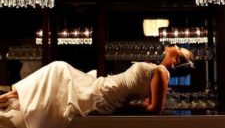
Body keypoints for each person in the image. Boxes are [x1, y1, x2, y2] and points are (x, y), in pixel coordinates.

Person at [0, 45, 194, 128]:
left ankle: (9, 97)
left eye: (178, 49)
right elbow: (148, 100)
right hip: (103, 85)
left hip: (105, 95)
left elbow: (154, 108)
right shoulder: (158, 69)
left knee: (58, 69)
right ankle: (12, 97)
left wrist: (121, 108)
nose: (174, 45)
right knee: (58, 70)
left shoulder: (162, 73)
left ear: (176, 60)